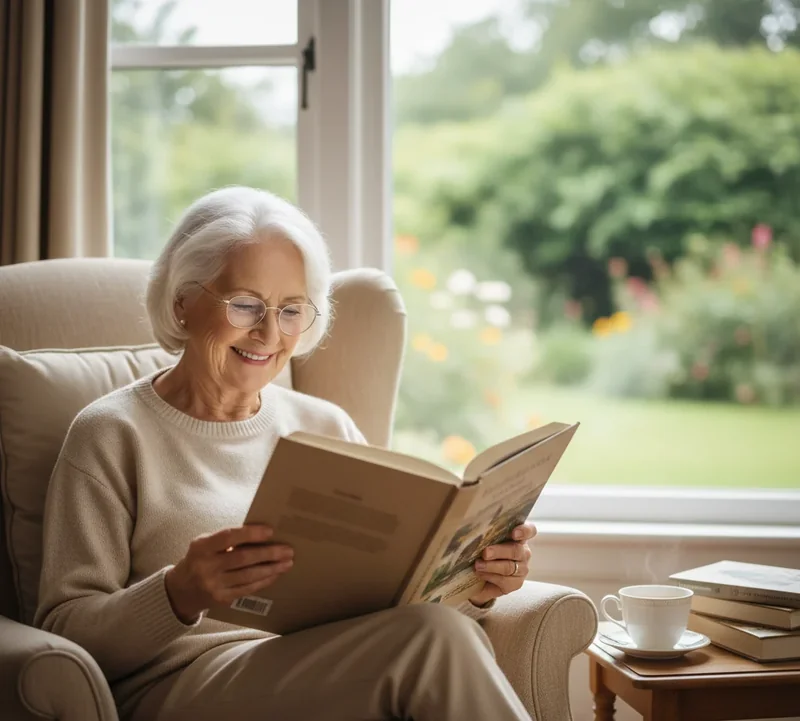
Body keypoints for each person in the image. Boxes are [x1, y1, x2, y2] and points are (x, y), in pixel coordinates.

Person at [34, 186, 537, 721]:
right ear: (183, 301)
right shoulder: (110, 434)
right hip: (180, 687)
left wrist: (475, 581)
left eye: (291, 310)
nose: (270, 333)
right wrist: (178, 592)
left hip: (327, 669)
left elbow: (394, 598)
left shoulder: (323, 425)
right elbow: (64, 633)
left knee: (443, 628)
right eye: (246, 304)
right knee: (433, 640)